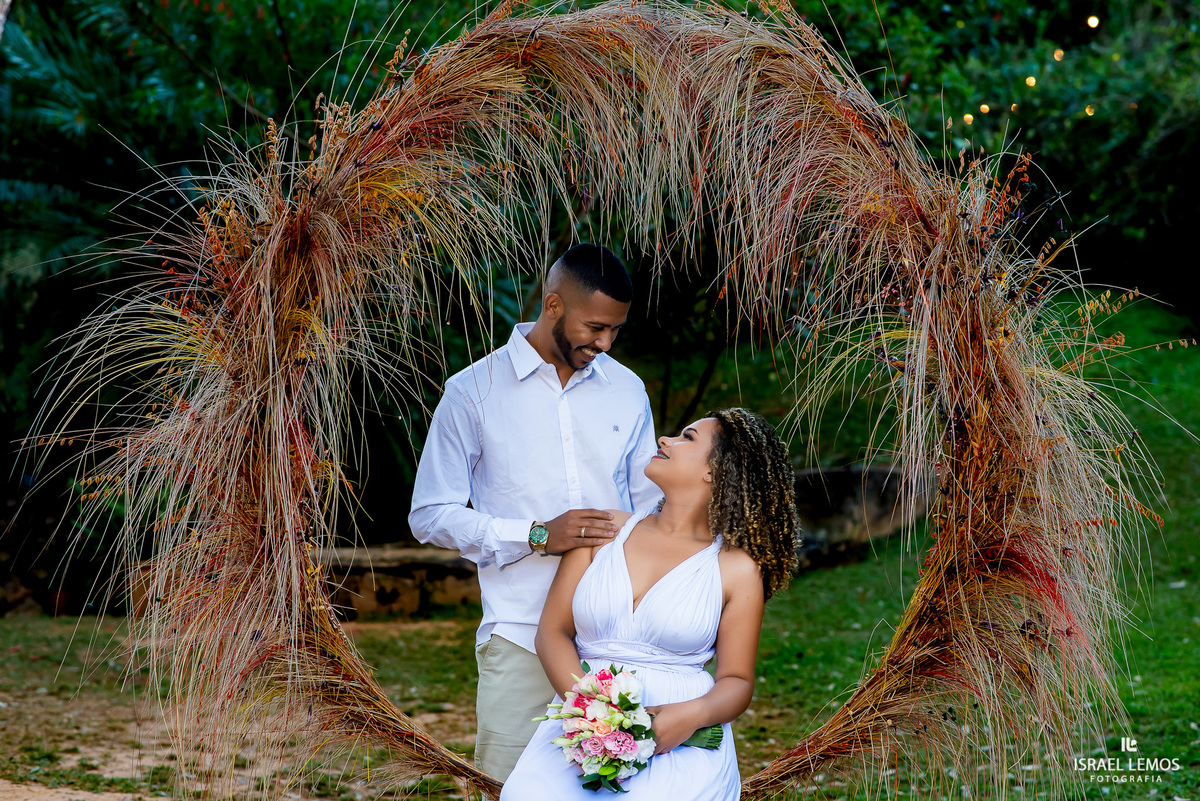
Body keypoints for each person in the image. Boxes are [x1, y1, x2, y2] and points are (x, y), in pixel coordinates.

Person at [408, 244, 661, 784]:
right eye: (594, 327)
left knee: (620, 793)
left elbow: (651, 508)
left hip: (614, 637)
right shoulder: (471, 392)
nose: (605, 343)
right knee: (507, 788)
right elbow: (430, 512)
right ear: (552, 305)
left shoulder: (628, 390)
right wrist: (538, 534)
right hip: (519, 633)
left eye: (615, 330)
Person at [500, 408, 800, 800]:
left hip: (680, 741)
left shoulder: (737, 569)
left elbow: (737, 681)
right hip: (582, 727)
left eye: (686, 438)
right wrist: (589, 711)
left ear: (716, 470)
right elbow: (553, 632)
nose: (665, 440)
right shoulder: (604, 530)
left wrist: (693, 715)